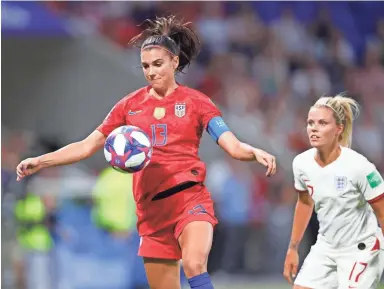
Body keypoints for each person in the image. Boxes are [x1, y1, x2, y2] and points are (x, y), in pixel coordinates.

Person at [16, 16, 277, 289]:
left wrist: (254, 152)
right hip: (152, 213)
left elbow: (231, 145)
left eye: (158, 64)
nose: (151, 72)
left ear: (175, 62)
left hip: (190, 200)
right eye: (145, 66)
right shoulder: (129, 106)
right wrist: (41, 161)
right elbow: (86, 145)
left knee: (194, 264)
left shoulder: (198, 103)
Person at [283, 94, 384, 289]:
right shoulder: (301, 164)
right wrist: (293, 248)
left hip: (361, 248)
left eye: (322, 123)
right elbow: (304, 203)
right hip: (326, 247)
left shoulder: (359, 167)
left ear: (339, 129)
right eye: (310, 122)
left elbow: (382, 210)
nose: (314, 128)